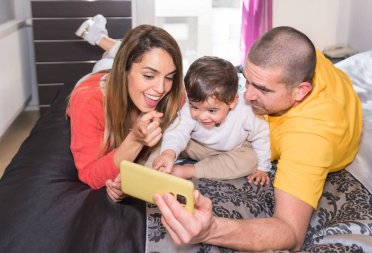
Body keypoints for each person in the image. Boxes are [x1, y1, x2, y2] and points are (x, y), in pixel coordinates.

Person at [153, 26, 363, 251]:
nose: (247, 96)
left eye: (262, 89)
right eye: (247, 79)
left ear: (300, 91)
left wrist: (210, 229)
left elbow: (290, 231)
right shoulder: (294, 56)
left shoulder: (310, 140)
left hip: (315, 134)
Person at [67, 24, 185, 202]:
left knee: (123, 53)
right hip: (101, 75)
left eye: (169, 77)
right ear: (124, 72)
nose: (161, 89)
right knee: (106, 61)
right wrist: (136, 140)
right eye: (149, 76)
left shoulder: (175, 93)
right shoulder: (88, 100)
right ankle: (99, 37)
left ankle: (101, 38)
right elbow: (90, 176)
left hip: (122, 67)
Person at [152, 56, 271, 184]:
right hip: (195, 145)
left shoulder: (246, 110)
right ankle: (148, 173)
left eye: (211, 111)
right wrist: (169, 153)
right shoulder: (189, 106)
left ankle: (189, 170)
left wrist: (262, 168)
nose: (202, 116)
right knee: (162, 144)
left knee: (250, 159)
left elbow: (261, 136)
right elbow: (178, 131)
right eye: (195, 107)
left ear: (232, 101)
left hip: (232, 150)